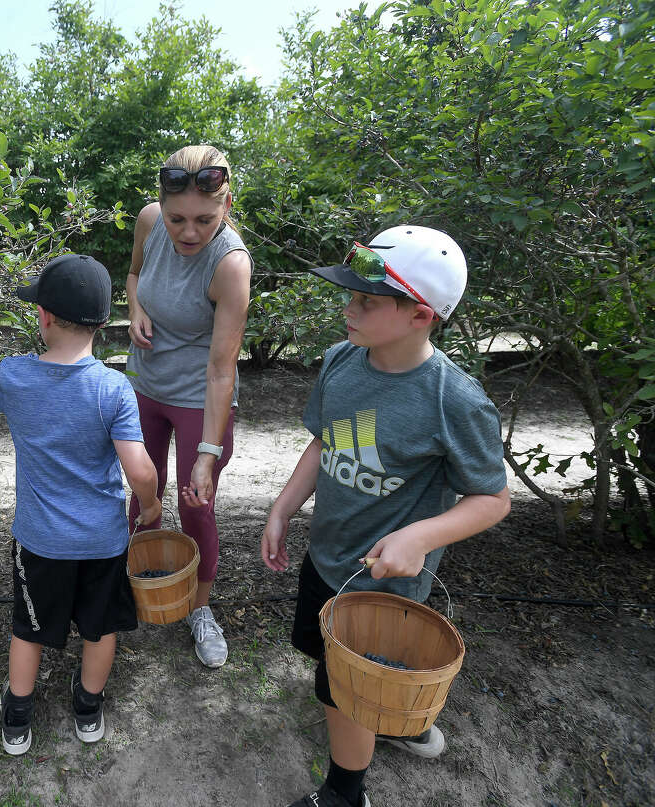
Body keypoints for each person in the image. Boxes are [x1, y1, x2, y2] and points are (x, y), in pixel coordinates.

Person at [260, 225, 512, 807]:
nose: (348, 310)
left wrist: (420, 535)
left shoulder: (454, 399)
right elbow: (325, 442)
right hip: (327, 557)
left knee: (345, 688)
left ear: (421, 315)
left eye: (367, 302)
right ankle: (399, 716)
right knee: (327, 656)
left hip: (384, 587)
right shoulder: (341, 362)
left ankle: (346, 793)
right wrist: (282, 508)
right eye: (350, 296)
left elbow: (492, 499)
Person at [0, 253, 161, 757]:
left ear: (44, 317)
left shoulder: (13, 377)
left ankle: (18, 716)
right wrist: (151, 506)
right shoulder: (114, 388)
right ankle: (88, 706)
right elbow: (138, 470)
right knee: (100, 627)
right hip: (102, 541)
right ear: (101, 323)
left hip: (40, 541)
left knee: (28, 629)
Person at [125, 144, 253, 668]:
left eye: (204, 219)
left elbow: (222, 368)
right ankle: (143, 581)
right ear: (161, 206)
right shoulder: (150, 222)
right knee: (142, 488)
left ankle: (201, 609)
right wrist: (134, 308)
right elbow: (133, 276)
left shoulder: (230, 264)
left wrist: (207, 452)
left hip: (201, 398)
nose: (188, 232)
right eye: (178, 218)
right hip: (145, 384)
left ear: (225, 206)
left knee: (196, 502)